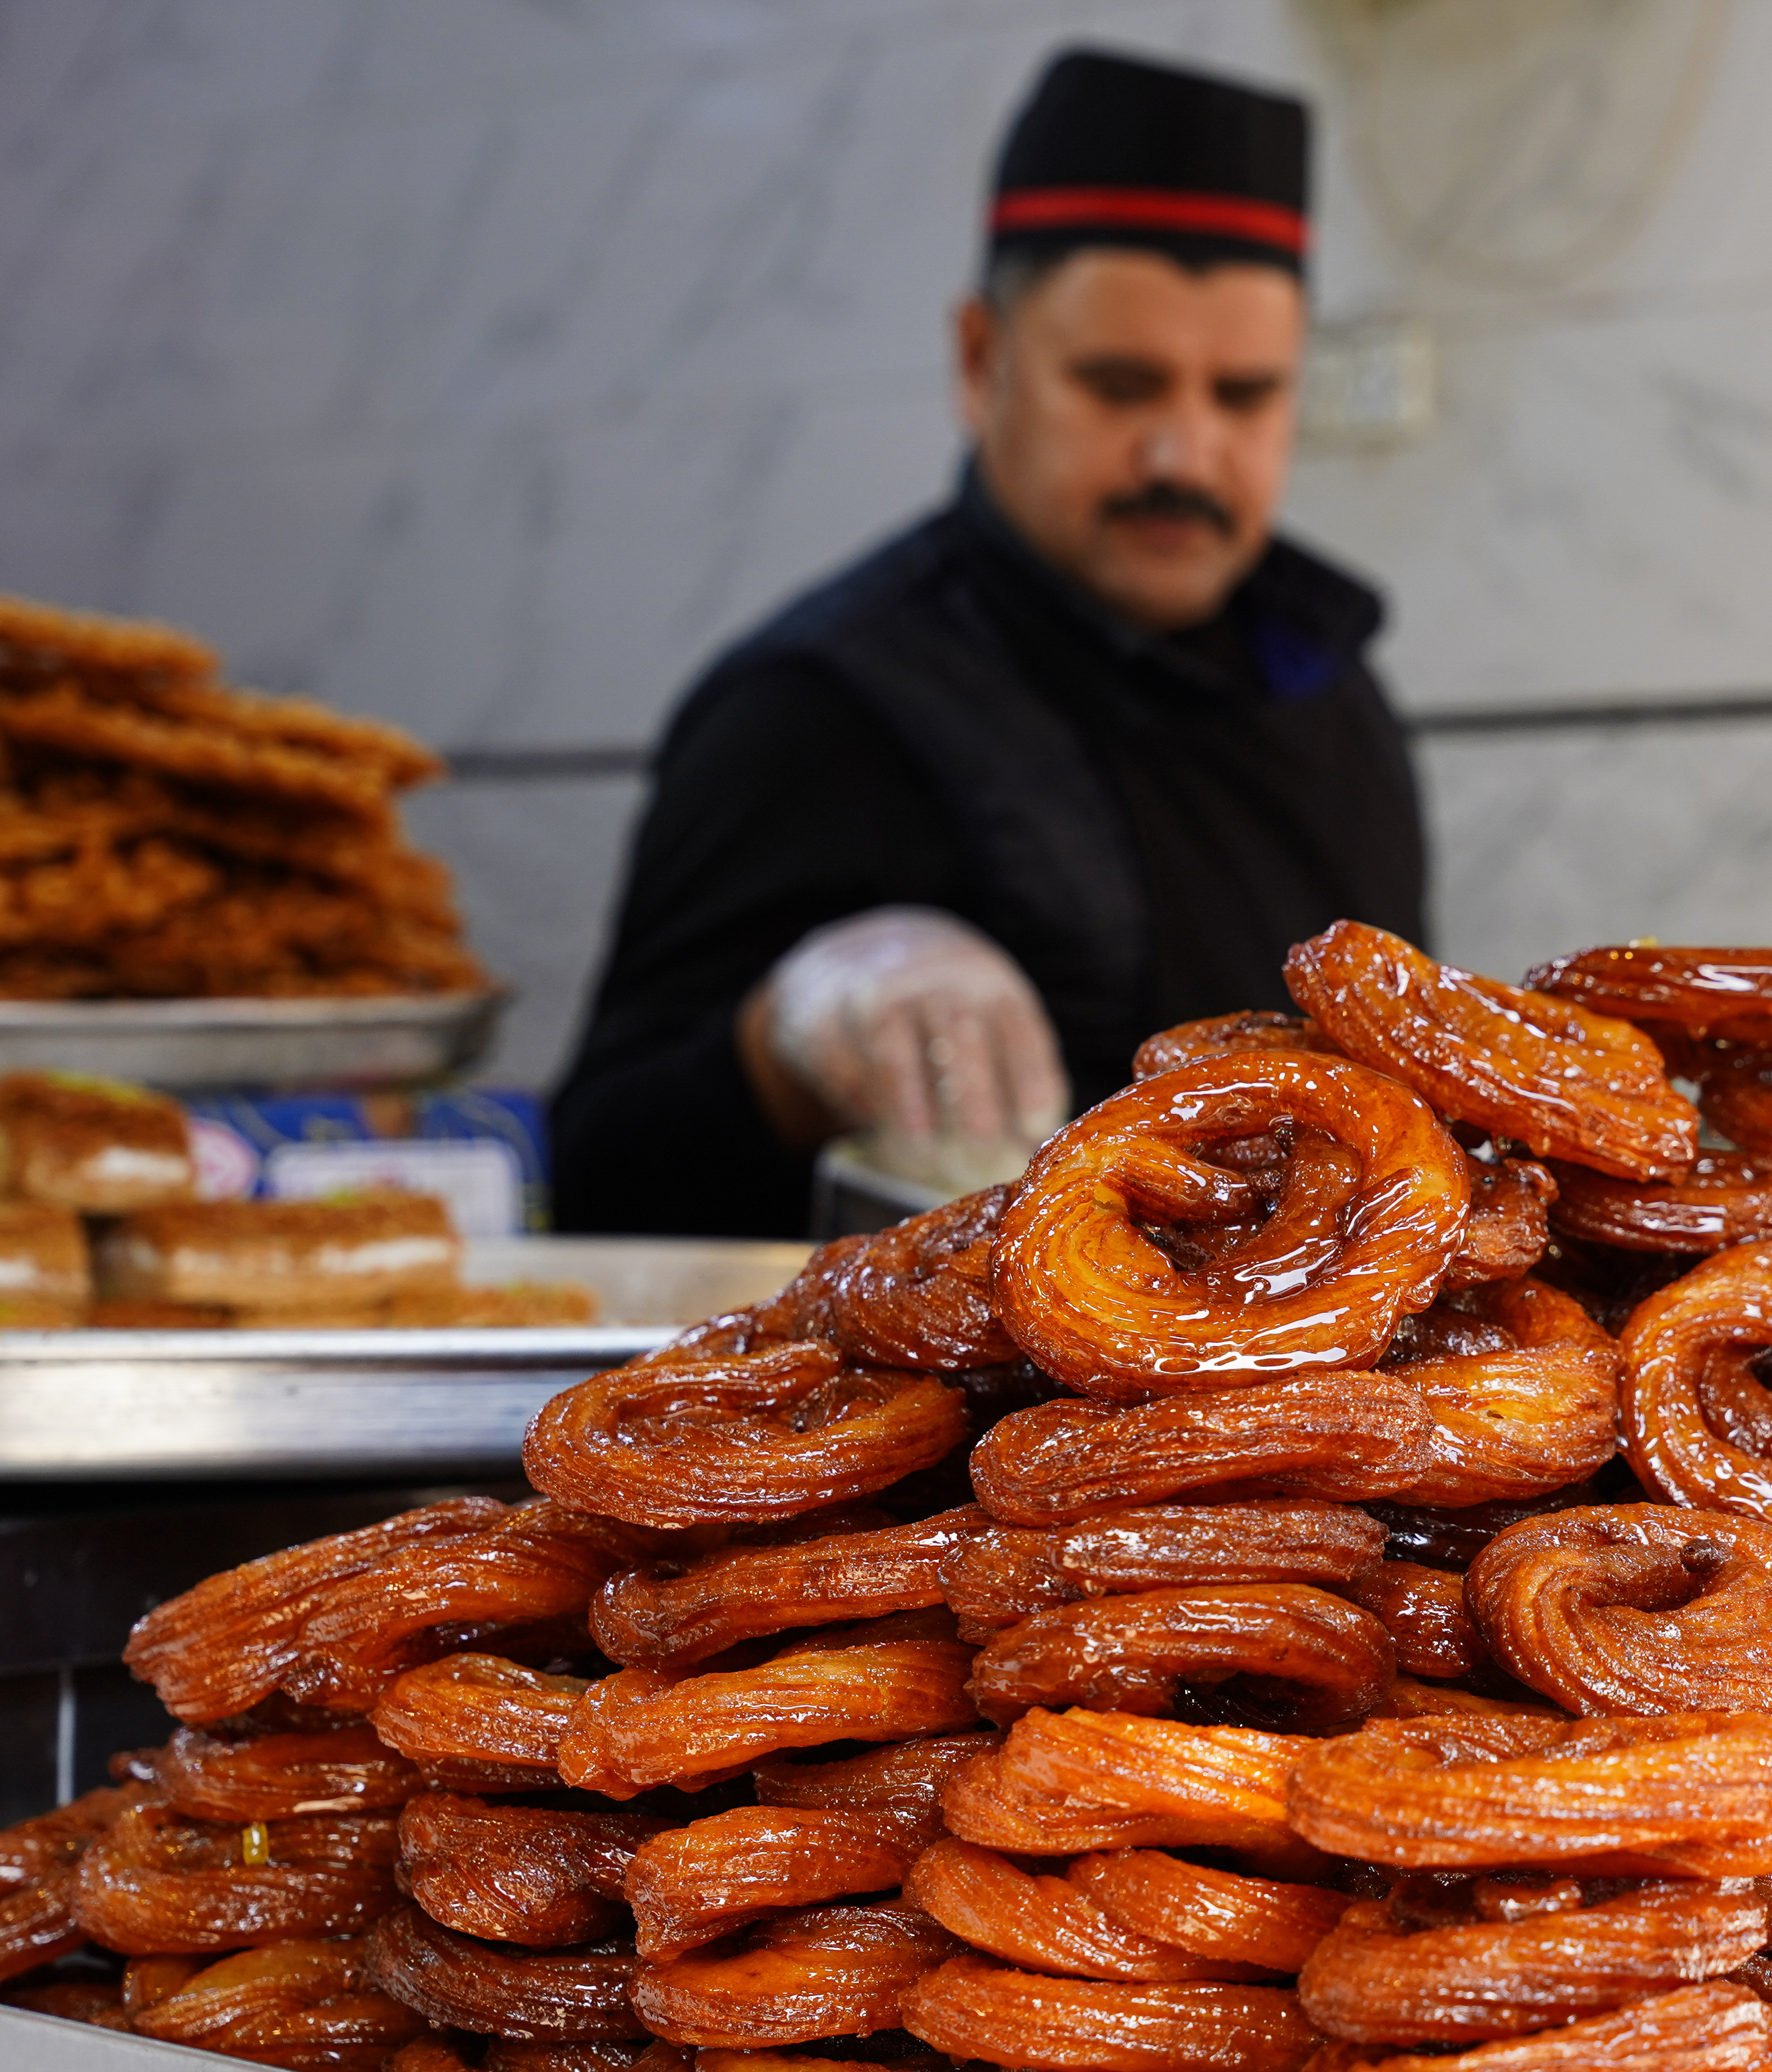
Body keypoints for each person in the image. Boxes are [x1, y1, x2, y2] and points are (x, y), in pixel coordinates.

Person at [551, 49, 1427, 1238]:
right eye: (1119, 385)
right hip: (960, 1355)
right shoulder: (814, 706)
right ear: (981, 362)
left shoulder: (1335, 690)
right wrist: (784, 1042)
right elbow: (599, 1176)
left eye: (1243, 395)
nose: (1184, 453)